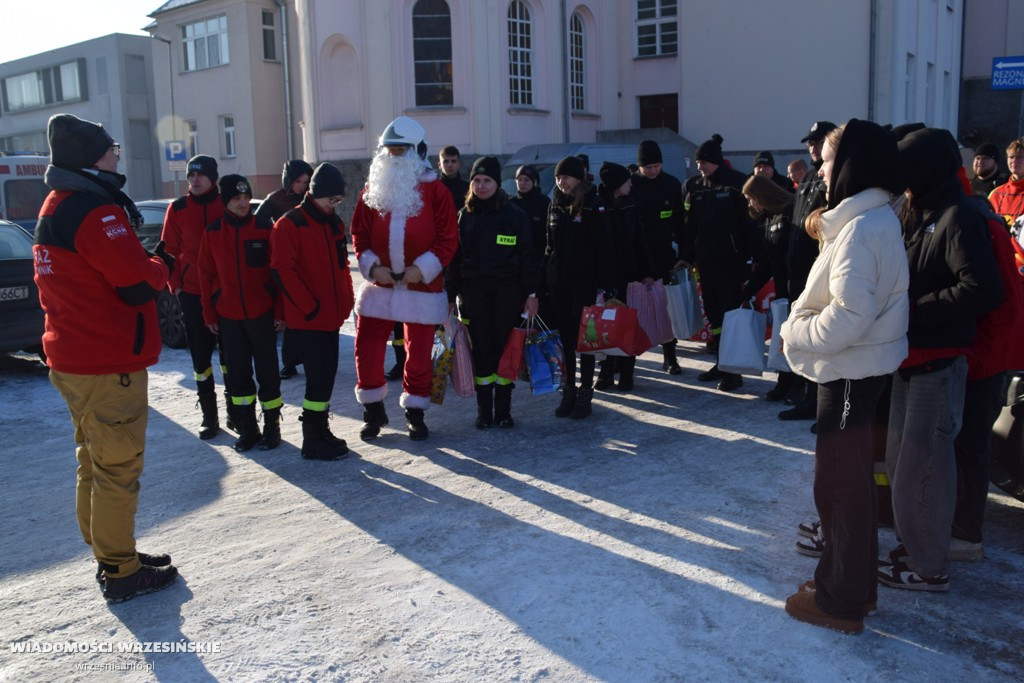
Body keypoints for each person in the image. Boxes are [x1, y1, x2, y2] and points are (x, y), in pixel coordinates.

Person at [34, 113, 178, 601]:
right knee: (117, 467)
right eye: (111, 148)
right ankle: (120, 570)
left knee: (93, 463)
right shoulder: (95, 211)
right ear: (92, 158)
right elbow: (139, 284)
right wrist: (162, 263)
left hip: (72, 358)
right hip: (104, 361)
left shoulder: (57, 204)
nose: (118, 154)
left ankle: (112, 554)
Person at [780, 119, 909, 635]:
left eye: (829, 162)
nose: (821, 170)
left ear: (851, 166)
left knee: (842, 488)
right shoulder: (868, 220)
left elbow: (850, 316)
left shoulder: (862, 228)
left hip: (852, 375)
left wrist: (796, 333)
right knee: (844, 486)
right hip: (856, 372)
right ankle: (850, 585)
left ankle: (842, 599)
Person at [878, 127, 1003, 593]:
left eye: (908, 174)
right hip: (913, 357)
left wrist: (914, 309)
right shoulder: (927, 211)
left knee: (928, 467)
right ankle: (916, 546)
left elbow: (982, 289)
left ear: (925, 171)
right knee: (905, 466)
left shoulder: (957, 216)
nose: (903, 184)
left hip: (940, 361)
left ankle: (930, 566)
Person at [351, 116, 459, 441]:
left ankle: (415, 412)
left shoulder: (436, 191)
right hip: (380, 285)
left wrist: (421, 269)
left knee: (419, 351)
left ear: (417, 151)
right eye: (389, 151)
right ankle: (373, 410)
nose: (393, 157)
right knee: (367, 348)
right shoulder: (372, 191)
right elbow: (359, 233)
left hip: (421, 286)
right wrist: (371, 265)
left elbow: (447, 238)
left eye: (400, 151)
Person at [446, 156, 539, 428]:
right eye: (477, 180)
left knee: (504, 350)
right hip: (474, 295)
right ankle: (484, 411)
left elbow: (528, 257)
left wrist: (532, 293)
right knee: (482, 351)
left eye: (487, 180)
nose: (481, 185)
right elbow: (454, 261)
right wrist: (451, 296)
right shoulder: (464, 216)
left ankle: (504, 411)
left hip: (507, 294)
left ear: (497, 184)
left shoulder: (513, 215)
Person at [270, 163, 355, 460]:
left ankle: (320, 430)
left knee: (327, 375)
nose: (335, 204)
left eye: (338, 200)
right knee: (318, 378)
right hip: (308, 319)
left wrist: (347, 299)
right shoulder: (290, 224)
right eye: (331, 199)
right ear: (315, 193)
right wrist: (309, 307)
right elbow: (282, 271)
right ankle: (312, 440)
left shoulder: (333, 222)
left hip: (330, 316)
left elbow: (342, 266)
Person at [198, 174, 284, 452]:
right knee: (238, 376)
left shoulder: (264, 228)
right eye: (236, 199)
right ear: (225, 202)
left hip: (262, 315)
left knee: (269, 373)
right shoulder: (212, 233)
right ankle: (248, 428)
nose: (243, 203)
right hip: (229, 317)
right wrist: (210, 315)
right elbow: (205, 277)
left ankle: (272, 427)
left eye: (246, 197)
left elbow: (277, 275)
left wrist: (279, 311)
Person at [160, 154, 231, 439]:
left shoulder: (226, 204)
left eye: (200, 175)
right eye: (191, 176)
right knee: (200, 361)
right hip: (191, 293)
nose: (195, 180)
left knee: (230, 358)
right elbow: (167, 251)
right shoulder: (177, 208)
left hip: (225, 293)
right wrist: (175, 286)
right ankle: (209, 417)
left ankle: (236, 414)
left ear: (213, 178)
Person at [544, 155, 614, 419]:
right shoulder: (555, 204)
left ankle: (585, 392)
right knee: (566, 340)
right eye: (558, 178)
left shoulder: (593, 204)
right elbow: (548, 246)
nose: (562, 182)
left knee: (585, 341)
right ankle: (569, 390)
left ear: (579, 178)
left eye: (567, 177)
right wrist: (545, 275)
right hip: (559, 283)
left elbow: (604, 248)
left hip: (585, 284)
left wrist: (606, 285)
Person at [680, 133, 751, 392]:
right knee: (714, 316)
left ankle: (734, 371)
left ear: (717, 162)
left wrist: (749, 259)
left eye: (705, 162)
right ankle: (721, 362)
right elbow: (689, 226)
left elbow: (749, 224)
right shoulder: (695, 186)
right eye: (698, 163)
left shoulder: (736, 183)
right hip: (706, 263)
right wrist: (687, 256)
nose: (701, 167)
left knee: (730, 315)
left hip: (731, 263)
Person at [781, 121, 838, 420]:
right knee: (801, 336)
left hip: (818, 271)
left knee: (819, 339)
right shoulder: (807, 179)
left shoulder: (833, 177)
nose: (813, 147)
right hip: (798, 271)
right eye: (810, 143)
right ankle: (805, 394)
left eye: (818, 142)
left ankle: (820, 403)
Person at [595, 161, 655, 391]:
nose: (631, 184)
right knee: (606, 326)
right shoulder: (598, 206)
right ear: (615, 185)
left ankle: (627, 372)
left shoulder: (630, 205)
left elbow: (640, 240)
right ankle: (606, 371)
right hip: (604, 277)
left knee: (627, 324)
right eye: (626, 182)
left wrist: (647, 271)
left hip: (628, 276)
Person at [255, 159, 314, 380]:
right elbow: (257, 223)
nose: (302, 185)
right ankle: (290, 362)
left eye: (306, 181)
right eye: (299, 181)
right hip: (285, 261)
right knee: (290, 312)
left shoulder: (311, 199)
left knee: (309, 312)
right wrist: (274, 238)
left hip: (308, 261)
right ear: (289, 180)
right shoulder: (276, 199)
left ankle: (310, 358)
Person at [630, 140, 685, 374]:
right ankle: (627, 363)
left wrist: (684, 254)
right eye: (648, 167)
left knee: (665, 308)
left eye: (656, 166)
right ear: (639, 167)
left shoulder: (671, 184)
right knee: (634, 309)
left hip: (663, 254)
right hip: (635, 256)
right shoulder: (631, 186)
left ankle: (670, 356)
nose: (653, 171)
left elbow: (680, 223)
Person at [740, 174, 796, 401]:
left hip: (797, 287)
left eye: (750, 198)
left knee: (795, 340)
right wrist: (747, 291)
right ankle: (785, 382)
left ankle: (798, 386)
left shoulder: (790, 211)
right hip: (783, 291)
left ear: (760, 195)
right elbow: (767, 263)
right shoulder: (768, 219)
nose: (750, 204)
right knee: (784, 340)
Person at [509, 164, 550, 277]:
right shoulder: (510, 203)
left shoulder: (544, 202)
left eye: (526, 180)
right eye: (519, 179)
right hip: (516, 259)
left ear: (534, 182)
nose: (522, 183)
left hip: (538, 258)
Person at [988, 137, 1024, 238]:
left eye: (1020, 157)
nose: (1014, 161)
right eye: (1011, 157)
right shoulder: (995, 193)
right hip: (997, 250)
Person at [438, 145, 469, 210]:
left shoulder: (468, 188)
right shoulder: (434, 188)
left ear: (459, 164)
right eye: (446, 161)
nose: (450, 165)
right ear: (439, 165)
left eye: (453, 161)